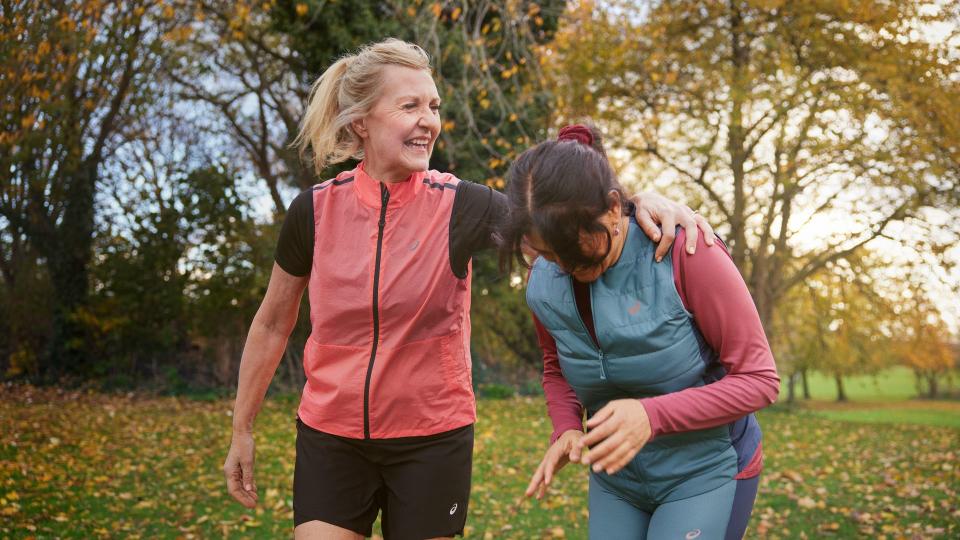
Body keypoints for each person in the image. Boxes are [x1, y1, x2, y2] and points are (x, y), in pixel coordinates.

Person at [221, 39, 711, 540]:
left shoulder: (461, 205)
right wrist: (242, 430)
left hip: (431, 439)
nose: (428, 120)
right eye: (409, 105)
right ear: (360, 122)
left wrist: (635, 201)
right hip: (331, 435)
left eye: (433, 106)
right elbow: (273, 322)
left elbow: (560, 218)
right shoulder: (314, 211)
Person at [499, 124, 780, 540]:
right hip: (618, 480)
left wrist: (651, 415)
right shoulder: (544, 280)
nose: (563, 267)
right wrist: (566, 427)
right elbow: (557, 366)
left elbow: (760, 381)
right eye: (545, 253)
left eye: (575, 250)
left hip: (707, 470)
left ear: (615, 208)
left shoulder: (688, 253)